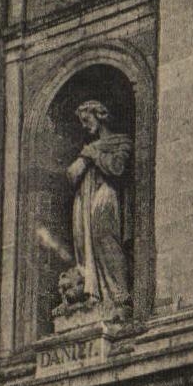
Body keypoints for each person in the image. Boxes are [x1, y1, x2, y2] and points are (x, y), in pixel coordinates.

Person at [65, 101, 132, 320]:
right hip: (84, 200)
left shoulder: (121, 142)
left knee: (105, 238)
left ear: (100, 115)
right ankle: (94, 295)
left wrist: (94, 155)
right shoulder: (87, 150)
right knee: (84, 244)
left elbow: (117, 168)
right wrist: (86, 157)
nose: (84, 126)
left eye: (87, 120)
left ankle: (119, 295)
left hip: (105, 195)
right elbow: (71, 175)